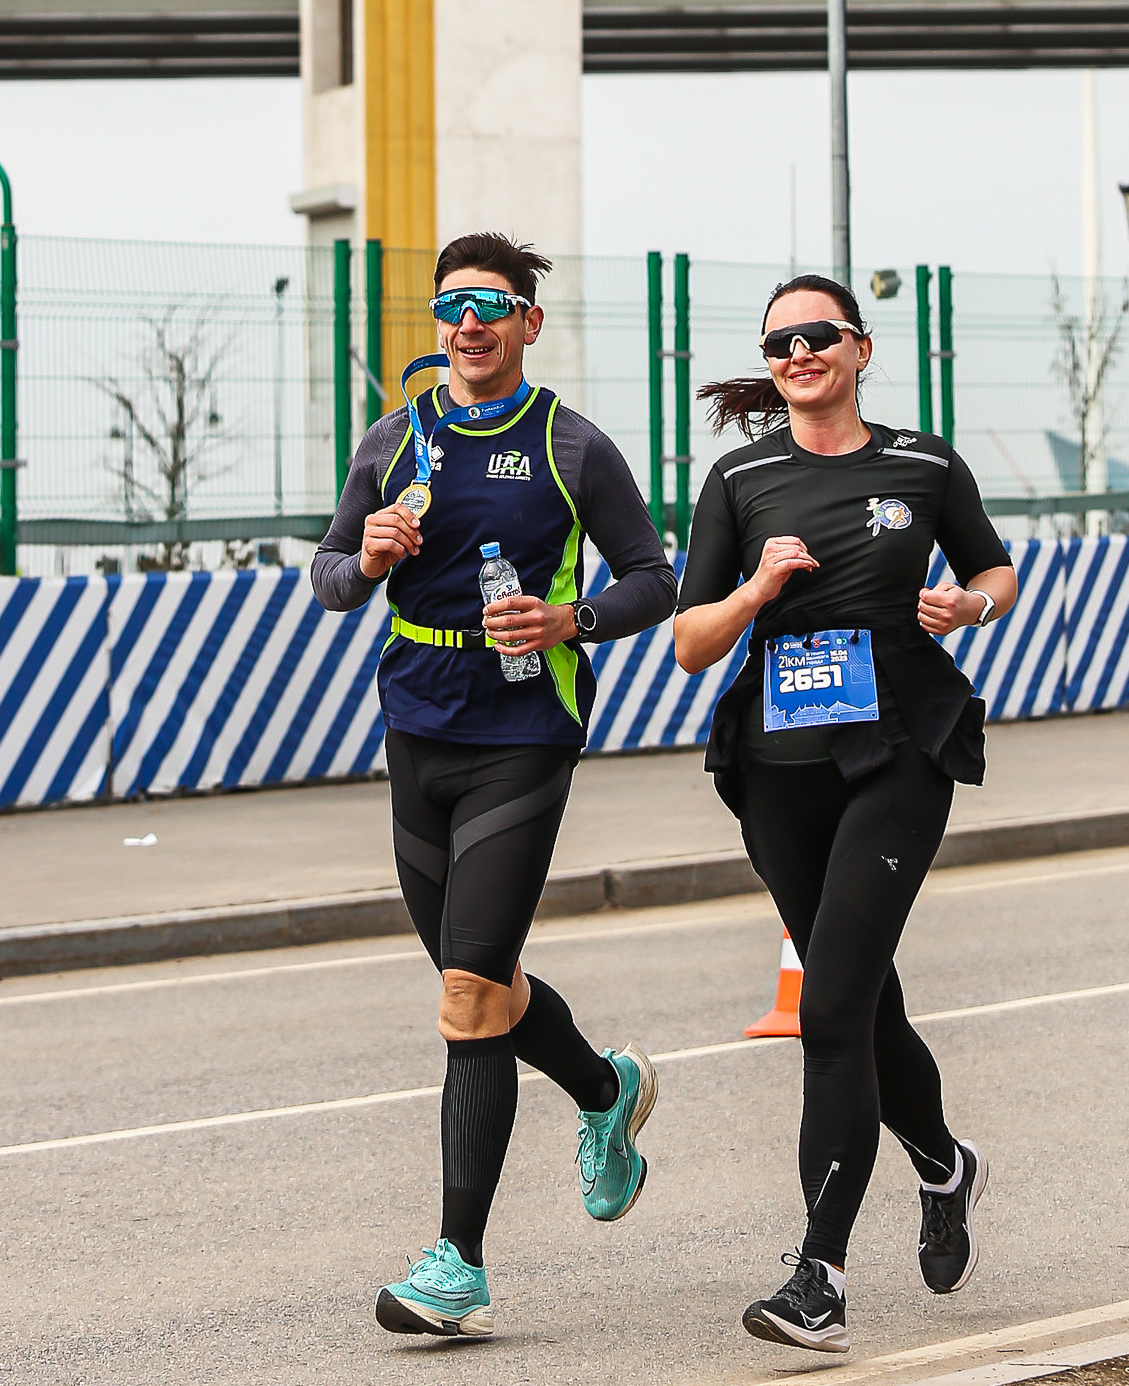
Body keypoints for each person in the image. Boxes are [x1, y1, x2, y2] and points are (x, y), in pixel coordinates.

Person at [312, 230, 678, 1340]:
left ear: (525, 321)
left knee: (467, 998)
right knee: (483, 981)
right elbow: (327, 578)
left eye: (489, 304)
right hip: (414, 729)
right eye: (448, 307)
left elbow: (654, 577)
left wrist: (571, 619)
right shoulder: (390, 442)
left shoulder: (571, 444)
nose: (466, 324)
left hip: (524, 729)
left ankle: (455, 1265)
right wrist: (367, 557)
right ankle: (606, 1092)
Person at [672, 271, 1017, 1360]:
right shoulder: (738, 478)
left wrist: (967, 605)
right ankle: (943, 1164)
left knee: (829, 1009)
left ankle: (814, 1277)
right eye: (778, 344)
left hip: (897, 748)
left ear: (859, 350)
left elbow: (994, 570)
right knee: (862, 1008)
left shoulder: (920, 463)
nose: (797, 355)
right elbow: (688, 642)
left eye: (817, 336)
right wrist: (754, 592)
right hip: (778, 761)